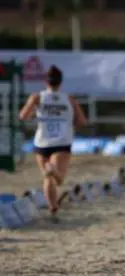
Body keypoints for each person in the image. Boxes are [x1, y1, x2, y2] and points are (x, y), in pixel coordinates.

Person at [19, 65, 87, 222]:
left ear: (46, 81)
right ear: (60, 82)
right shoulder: (69, 99)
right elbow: (82, 121)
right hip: (62, 141)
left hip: (41, 141)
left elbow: (23, 116)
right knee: (58, 178)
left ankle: (53, 207)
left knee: (47, 177)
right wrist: (70, 122)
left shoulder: (36, 97)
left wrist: (35, 115)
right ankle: (53, 197)